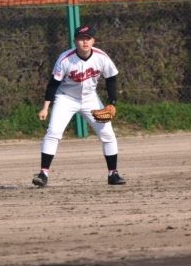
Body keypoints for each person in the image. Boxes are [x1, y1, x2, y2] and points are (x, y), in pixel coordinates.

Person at [33, 25, 126, 187]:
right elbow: (53, 84)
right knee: (53, 132)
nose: (85, 42)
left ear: (93, 41)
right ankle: (43, 174)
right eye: (81, 39)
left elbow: (111, 78)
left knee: (108, 134)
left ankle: (113, 174)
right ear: (75, 41)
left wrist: (112, 103)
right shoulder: (65, 59)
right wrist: (45, 107)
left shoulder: (101, 57)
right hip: (65, 98)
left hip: (90, 99)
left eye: (87, 38)